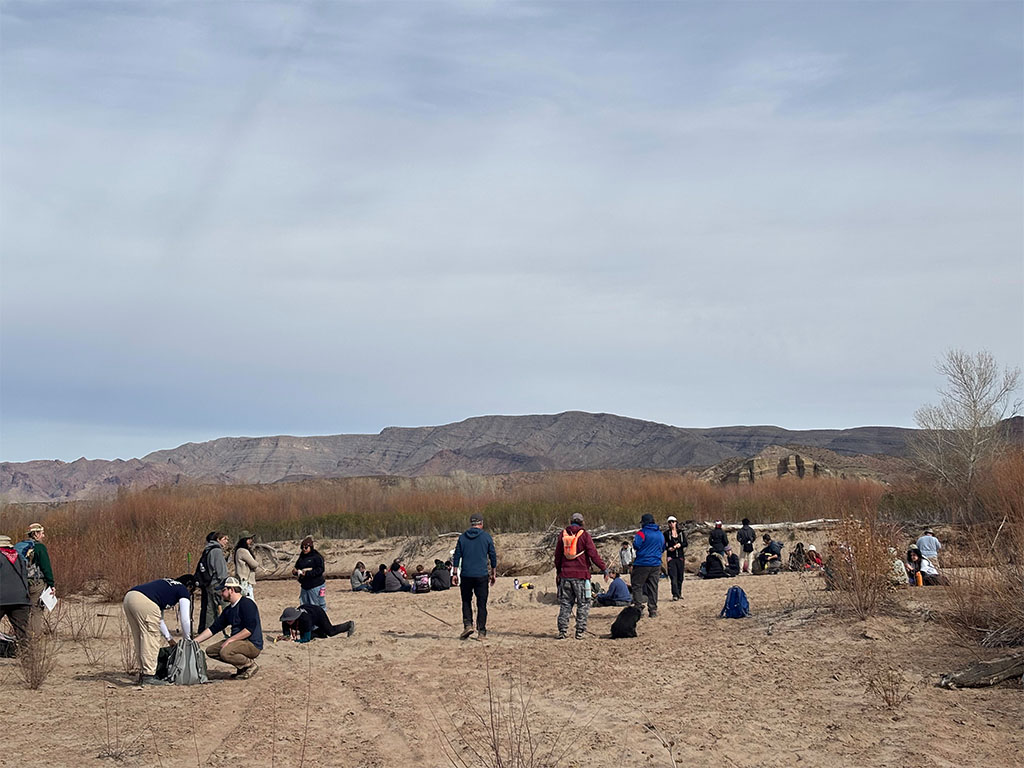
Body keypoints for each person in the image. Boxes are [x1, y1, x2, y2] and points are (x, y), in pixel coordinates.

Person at [122, 575, 196, 686]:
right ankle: (148, 676)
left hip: (130, 597)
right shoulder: (183, 589)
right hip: (144, 602)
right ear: (189, 586)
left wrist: (169, 639)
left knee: (140, 637)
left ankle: (143, 672)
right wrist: (187, 639)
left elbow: (158, 619)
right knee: (151, 637)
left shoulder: (166, 585)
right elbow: (185, 619)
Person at [194, 577, 263, 679]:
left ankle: (249, 665)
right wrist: (194, 642)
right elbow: (213, 628)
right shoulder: (228, 610)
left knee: (225, 652)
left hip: (252, 644)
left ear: (231, 589)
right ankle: (242, 668)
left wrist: (230, 640)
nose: (221, 594)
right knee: (211, 651)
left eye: (223, 590)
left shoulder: (247, 604)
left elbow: (248, 630)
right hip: (238, 642)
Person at [554, 512, 608, 640]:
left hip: (565, 575)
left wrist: (558, 572)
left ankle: (562, 631)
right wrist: (604, 568)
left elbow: (557, 556)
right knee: (583, 604)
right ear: (582, 522)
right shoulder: (584, 535)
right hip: (581, 576)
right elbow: (593, 554)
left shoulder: (563, 534)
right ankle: (580, 632)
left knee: (565, 604)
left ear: (571, 521)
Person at [452, 512, 497, 640]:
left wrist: (455, 573)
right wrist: (493, 572)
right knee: (481, 604)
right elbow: (492, 556)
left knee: (466, 601)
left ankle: (468, 625)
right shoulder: (486, 537)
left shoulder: (462, 537)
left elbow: (457, 556)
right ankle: (481, 632)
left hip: (466, 574)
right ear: (481, 524)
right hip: (481, 575)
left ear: (471, 524)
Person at [16, 523, 55, 633]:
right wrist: (51, 584)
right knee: (36, 610)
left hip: (20, 583)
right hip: (36, 583)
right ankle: (34, 637)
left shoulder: (19, 546)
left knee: (22, 611)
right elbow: (46, 567)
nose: (43, 536)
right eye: (42, 533)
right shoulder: (39, 547)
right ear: (36, 534)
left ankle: (21, 635)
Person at [630, 513, 665, 618]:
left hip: (642, 563)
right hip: (656, 564)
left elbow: (636, 545)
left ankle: (638, 608)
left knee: (637, 585)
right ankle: (653, 610)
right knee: (653, 587)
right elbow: (663, 548)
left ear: (644, 523)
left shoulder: (641, 533)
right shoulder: (660, 534)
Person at [0, 534, 31, 648]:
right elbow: (24, 576)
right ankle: (29, 660)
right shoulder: (18, 557)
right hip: (20, 598)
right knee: (22, 633)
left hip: (2, 598)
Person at [196, 532, 230, 632]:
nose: (226, 541)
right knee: (225, 604)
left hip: (210, 583)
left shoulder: (208, 549)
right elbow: (220, 570)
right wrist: (224, 581)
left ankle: (208, 629)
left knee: (210, 607)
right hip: (217, 582)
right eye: (224, 539)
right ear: (218, 539)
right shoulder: (216, 551)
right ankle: (228, 626)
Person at [278, 605, 355, 642]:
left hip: (317, 613)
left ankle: (348, 625)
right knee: (310, 635)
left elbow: (306, 639)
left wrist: (294, 641)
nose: (288, 622)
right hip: (308, 611)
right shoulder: (285, 621)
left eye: (290, 620)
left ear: (295, 617)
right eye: (287, 621)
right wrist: (285, 638)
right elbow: (286, 634)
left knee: (330, 632)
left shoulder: (305, 620)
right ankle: (320, 633)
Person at [293, 536, 327, 609]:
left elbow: (320, 570)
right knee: (304, 605)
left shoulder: (317, 557)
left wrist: (307, 573)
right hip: (305, 585)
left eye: (306, 547)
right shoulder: (301, 557)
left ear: (311, 547)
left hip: (316, 585)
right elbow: (297, 566)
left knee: (316, 605)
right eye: (302, 548)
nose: (304, 549)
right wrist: (295, 571)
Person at [664, 516, 687, 602]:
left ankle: (679, 593)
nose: (671, 524)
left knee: (680, 576)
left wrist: (680, 545)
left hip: (680, 557)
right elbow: (663, 544)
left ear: (676, 522)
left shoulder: (681, 533)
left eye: (673, 522)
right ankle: (675, 594)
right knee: (673, 576)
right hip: (671, 557)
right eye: (669, 522)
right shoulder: (666, 534)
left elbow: (685, 543)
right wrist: (668, 548)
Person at [233, 531, 260, 600]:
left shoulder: (239, 550)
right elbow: (254, 564)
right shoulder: (243, 551)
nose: (251, 540)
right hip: (245, 581)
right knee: (249, 601)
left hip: (243, 580)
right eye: (249, 539)